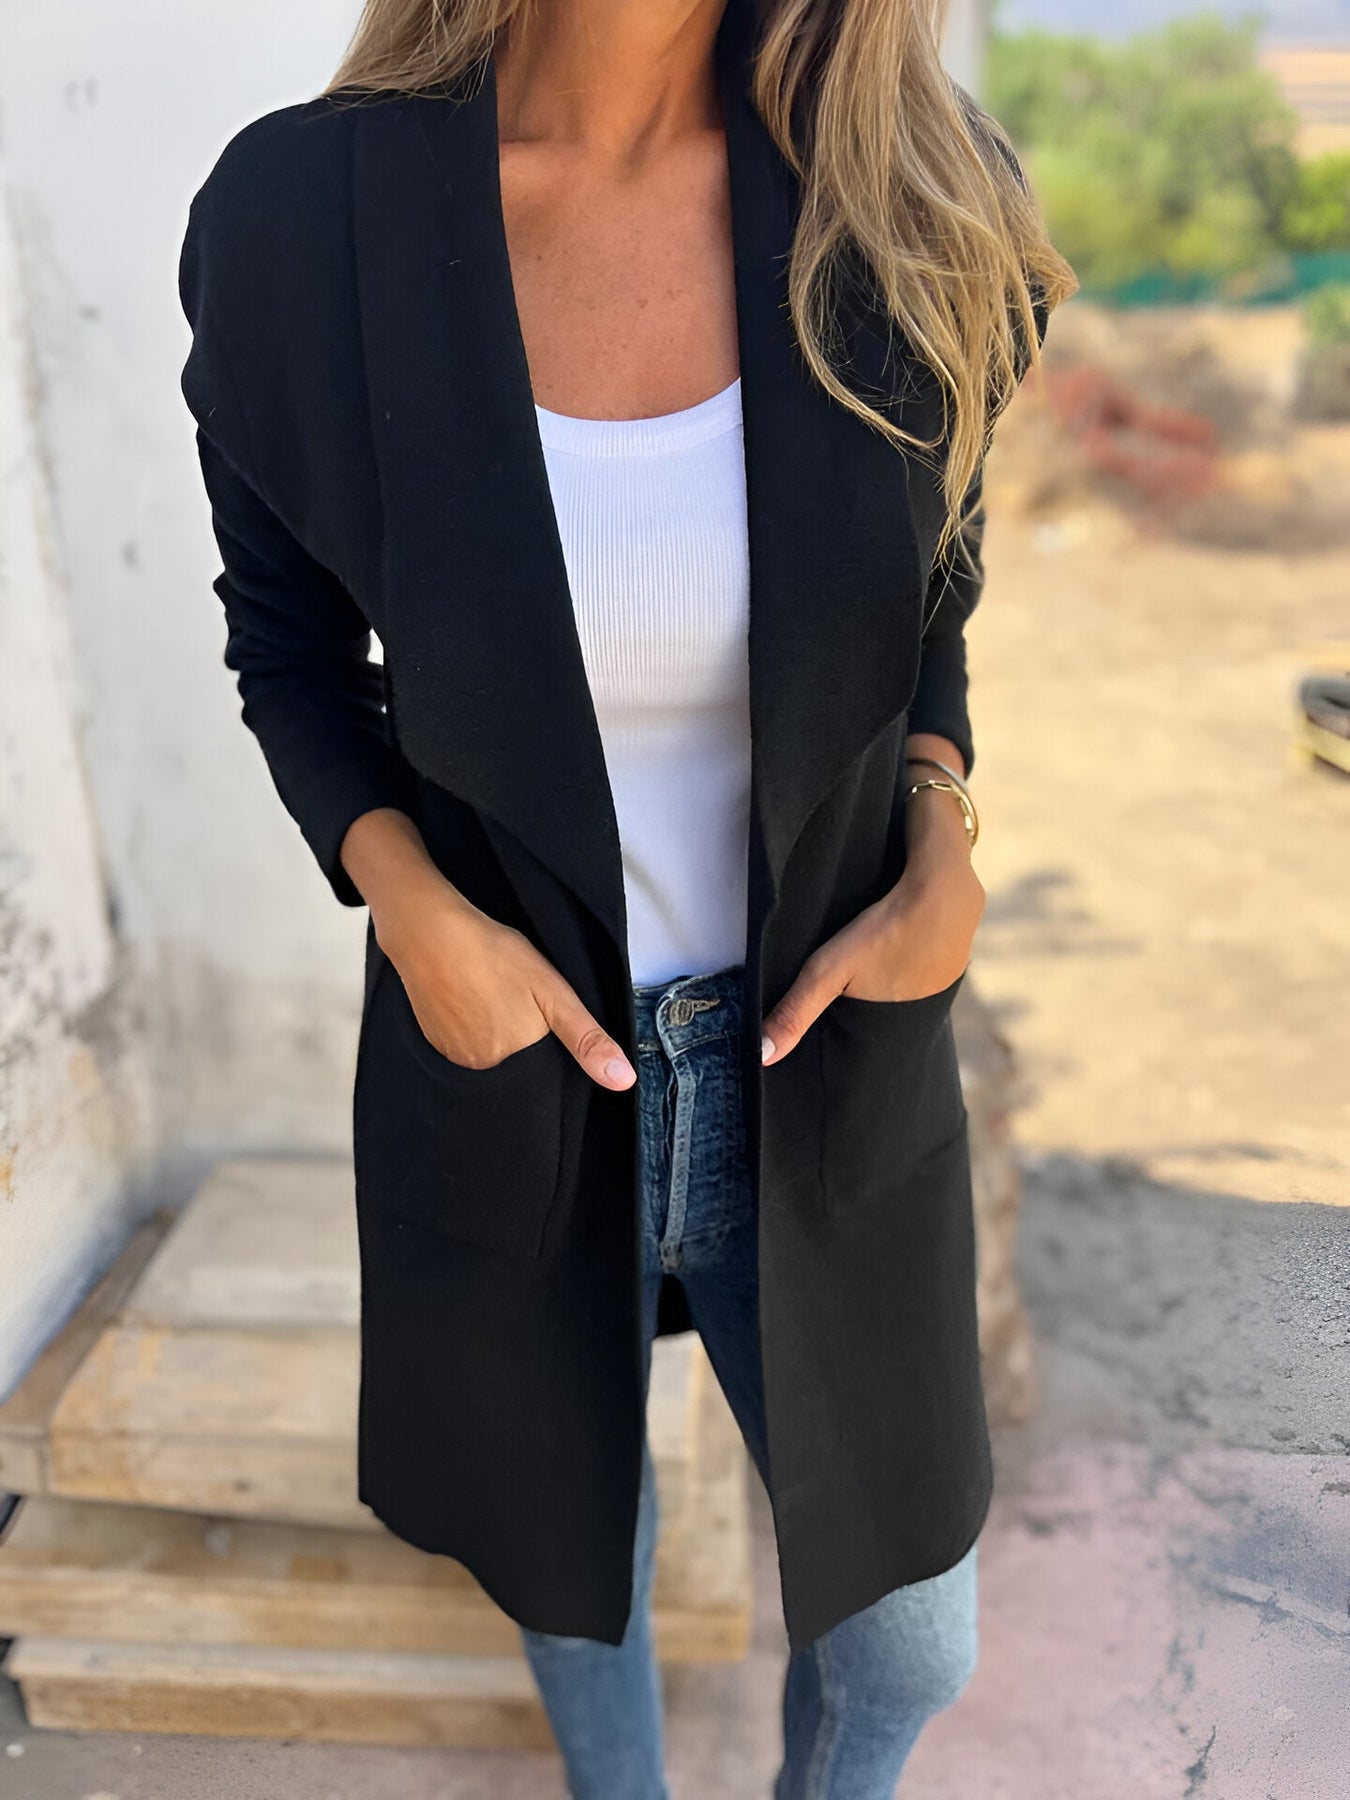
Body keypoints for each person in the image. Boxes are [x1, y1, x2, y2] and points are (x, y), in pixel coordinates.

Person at [177, 0, 1075, 1792]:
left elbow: (932, 603)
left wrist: (944, 829)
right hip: (515, 1052)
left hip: (820, 1049)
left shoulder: (917, 199)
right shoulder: (302, 221)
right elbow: (288, 646)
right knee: (568, 1553)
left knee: (906, 1639)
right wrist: (411, 910)